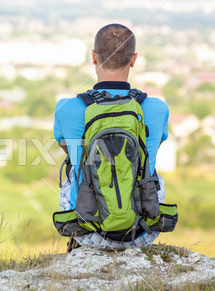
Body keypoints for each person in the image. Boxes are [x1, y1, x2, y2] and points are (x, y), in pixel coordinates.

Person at [53, 23, 169, 250]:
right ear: (133, 59)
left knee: (75, 170)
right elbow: (155, 147)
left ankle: (81, 238)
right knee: (153, 171)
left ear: (94, 57)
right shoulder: (157, 108)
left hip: (88, 229)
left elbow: (65, 147)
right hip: (142, 230)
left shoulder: (66, 108)